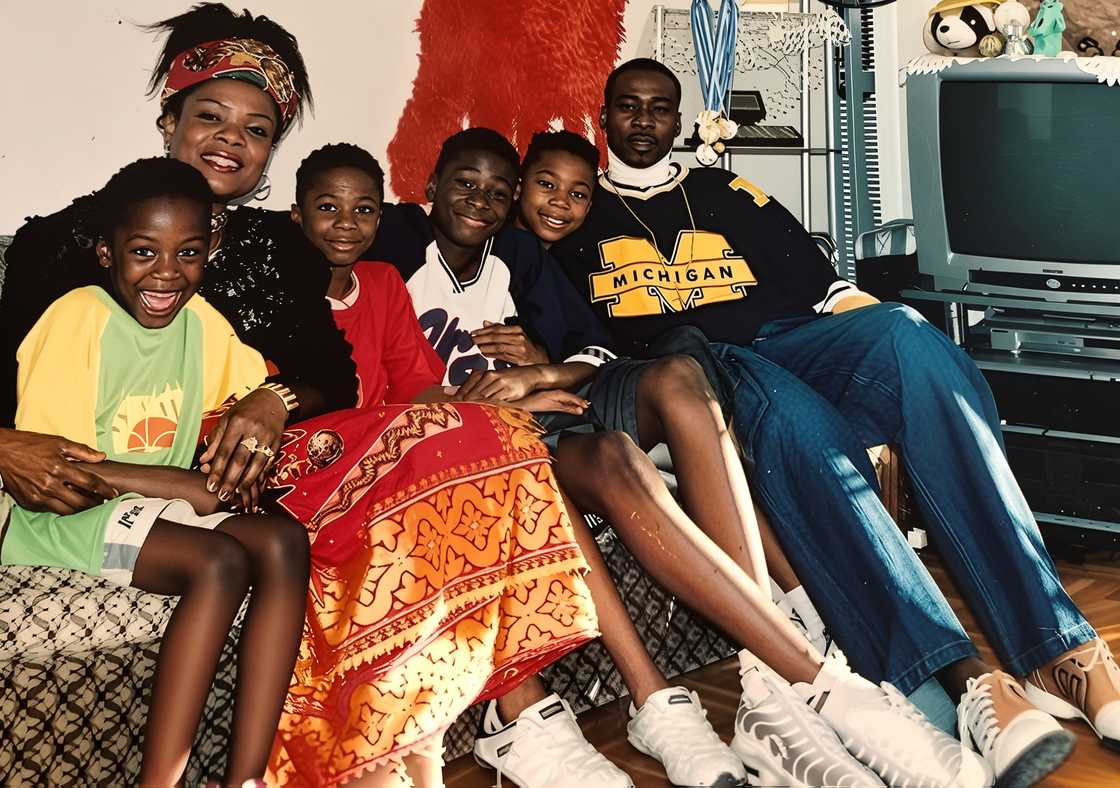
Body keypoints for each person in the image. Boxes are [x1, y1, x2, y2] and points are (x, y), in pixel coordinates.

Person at [551, 56, 1120, 786]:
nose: (642, 122)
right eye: (627, 107)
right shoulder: (569, 210)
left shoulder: (723, 190)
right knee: (795, 419)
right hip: (697, 369)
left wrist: (892, 335)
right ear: (603, 116)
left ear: (678, 118)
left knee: (911, 339)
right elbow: (565, 338)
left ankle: (1057, 650)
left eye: (659, 108)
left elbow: (824, 289)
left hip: (787, 340)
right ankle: (964, 685)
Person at [366, 127, 990, 788]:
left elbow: (594, 348)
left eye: (500, 188)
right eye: (465, 183)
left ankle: (764, 686)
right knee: (575, 446)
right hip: (468, 439)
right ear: (429, 188)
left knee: (656, 410)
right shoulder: (391, 245)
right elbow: (362, 344)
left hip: (554, 417)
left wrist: (540, 376)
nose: (482, 200)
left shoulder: (519, 254)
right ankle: (784, 686)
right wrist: (492, 403)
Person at [269, 142, 599, 787]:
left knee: (501, 441)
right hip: (309, 456)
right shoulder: (279, 285)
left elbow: (420, 390)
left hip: (380, 447)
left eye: (363, 209)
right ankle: (515, 713)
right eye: (327, 208)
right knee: (462, 451)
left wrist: (505, 407)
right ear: (296, 215)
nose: (345, 223)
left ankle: (519, 717)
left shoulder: (384, 283)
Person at [1, 157, 310, 786]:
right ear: (106, 252)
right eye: (144, 251)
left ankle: (246, 777)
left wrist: (252, 440)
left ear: (210, 250)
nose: (167, 273)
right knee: (219, 563)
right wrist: (193, 488)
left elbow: (259, 393)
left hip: (154, 508)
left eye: (188, 253)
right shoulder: (77, 318)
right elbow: (61, 474)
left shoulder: (202, 323)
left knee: (283, 540)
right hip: (64, 518)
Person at [0, 3, 358, 520]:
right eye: (210, 116)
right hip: (101, 487)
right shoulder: (72, 241)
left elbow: (334, 376)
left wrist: (273, 400)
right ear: (170, 122)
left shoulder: (284, 249)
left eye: (257, 130)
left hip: (253, 478)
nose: (232, 138)